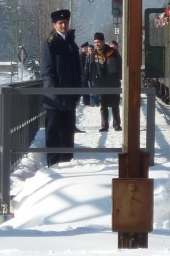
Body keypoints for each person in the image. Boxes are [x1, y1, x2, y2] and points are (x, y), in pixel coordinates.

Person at [40, 8, 82, 165]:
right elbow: (47, 71)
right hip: (54, 99)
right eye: (60, 23)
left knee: (68, 133)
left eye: (65, 23)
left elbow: (77, 69)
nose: (64, 26)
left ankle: (67, 162)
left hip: (70, 97)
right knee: (53, 133)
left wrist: (78, 90)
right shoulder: (50, 43)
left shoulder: (71, 43)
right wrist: (54, 93)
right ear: (54, 25)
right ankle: (53, 164)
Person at [90, 31, 122, 131]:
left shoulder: (113, 52)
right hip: (101, 83)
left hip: (113, 82)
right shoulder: (94, 54)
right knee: (103, 106)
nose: (97, 44)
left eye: (98, 42)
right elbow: (92, 69)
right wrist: (93, 81)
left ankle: (117, 125)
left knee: (115, 105)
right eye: (95, 42)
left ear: (103, 41)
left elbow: (120, 65)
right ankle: (104, 126)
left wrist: (119, 77)